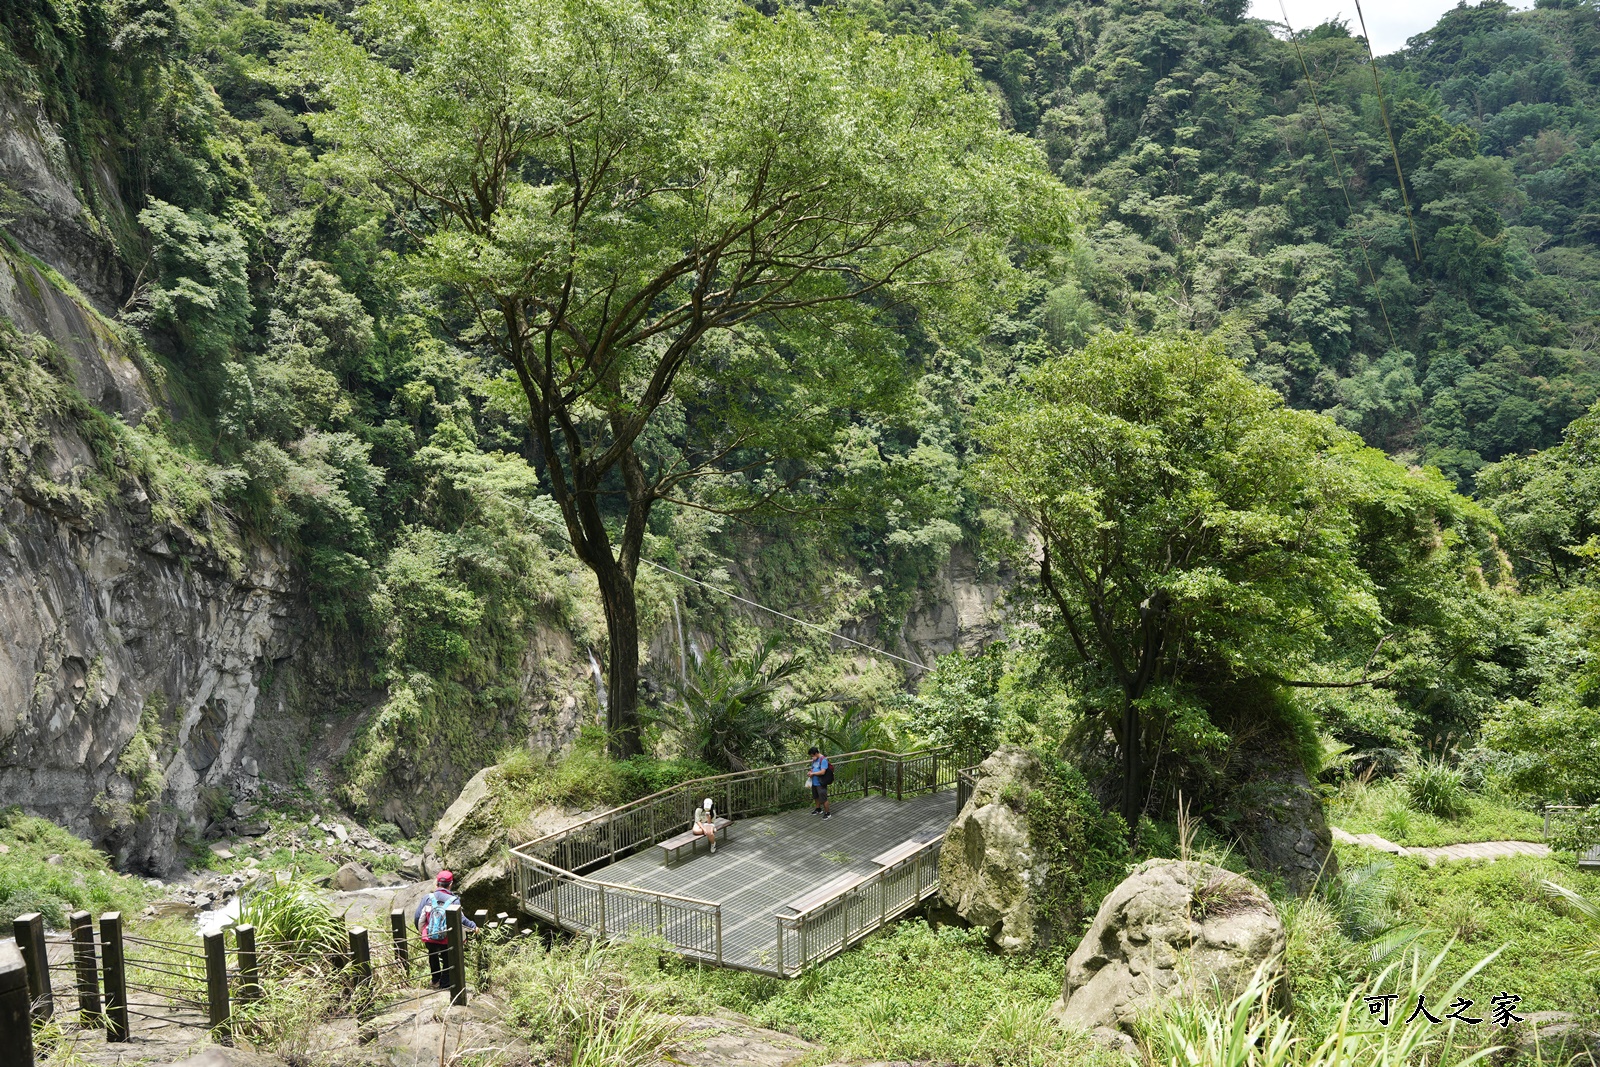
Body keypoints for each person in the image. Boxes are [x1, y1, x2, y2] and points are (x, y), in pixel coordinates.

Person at [414, 870, 477, 990]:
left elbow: (418, 917)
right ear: (450, 884)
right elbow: (461, 919)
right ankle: (445, 984)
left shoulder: (427, 898)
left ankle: (435, 981)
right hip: (446, 938)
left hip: (430, 935)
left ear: (437, 883)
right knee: (447, 959)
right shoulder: (454, 900)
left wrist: (423, 931)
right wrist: (473, 926)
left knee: (432, 956)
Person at [808, 747, 832, 818]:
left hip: (820, 782)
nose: (812, 757)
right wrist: (810, 772)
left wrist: (813, 774)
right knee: (816, 797)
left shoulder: (823, 760)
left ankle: (827, 812)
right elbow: (813, 768)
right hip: (814, 782)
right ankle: (818, 809)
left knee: (823, 798)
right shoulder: (814, 760)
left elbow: (822, 772)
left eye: (812, 755)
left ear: (816, 753)